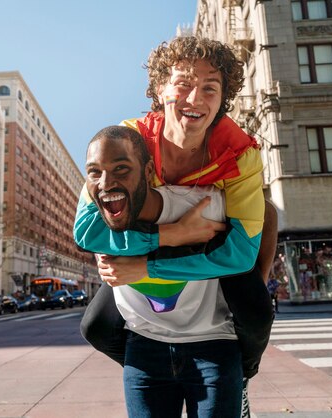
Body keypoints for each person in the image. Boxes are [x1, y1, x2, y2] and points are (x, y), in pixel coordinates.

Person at [74, 36, 277, 417]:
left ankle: (241, 374)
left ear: (222, 99)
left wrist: (148, 267)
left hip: (210, 241)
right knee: (96, 327)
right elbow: (87, 231)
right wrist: (169, 236)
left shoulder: (240, 153)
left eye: (210, 89)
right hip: (156, 236)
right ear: (158, 90)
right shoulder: (130, 139)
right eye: (183, 84)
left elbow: (238, 254)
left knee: (256, 311)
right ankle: (155, 369)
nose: (195, 98)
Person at [83, 125, 241, 417]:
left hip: (213, 347)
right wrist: (169, 236)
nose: (106, 183)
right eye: (95, 172)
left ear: (146, 171)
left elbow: (266, 213)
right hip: (143, 352)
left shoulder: (201, 204)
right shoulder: (95, 223)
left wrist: (145, 266)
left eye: (121, 169)